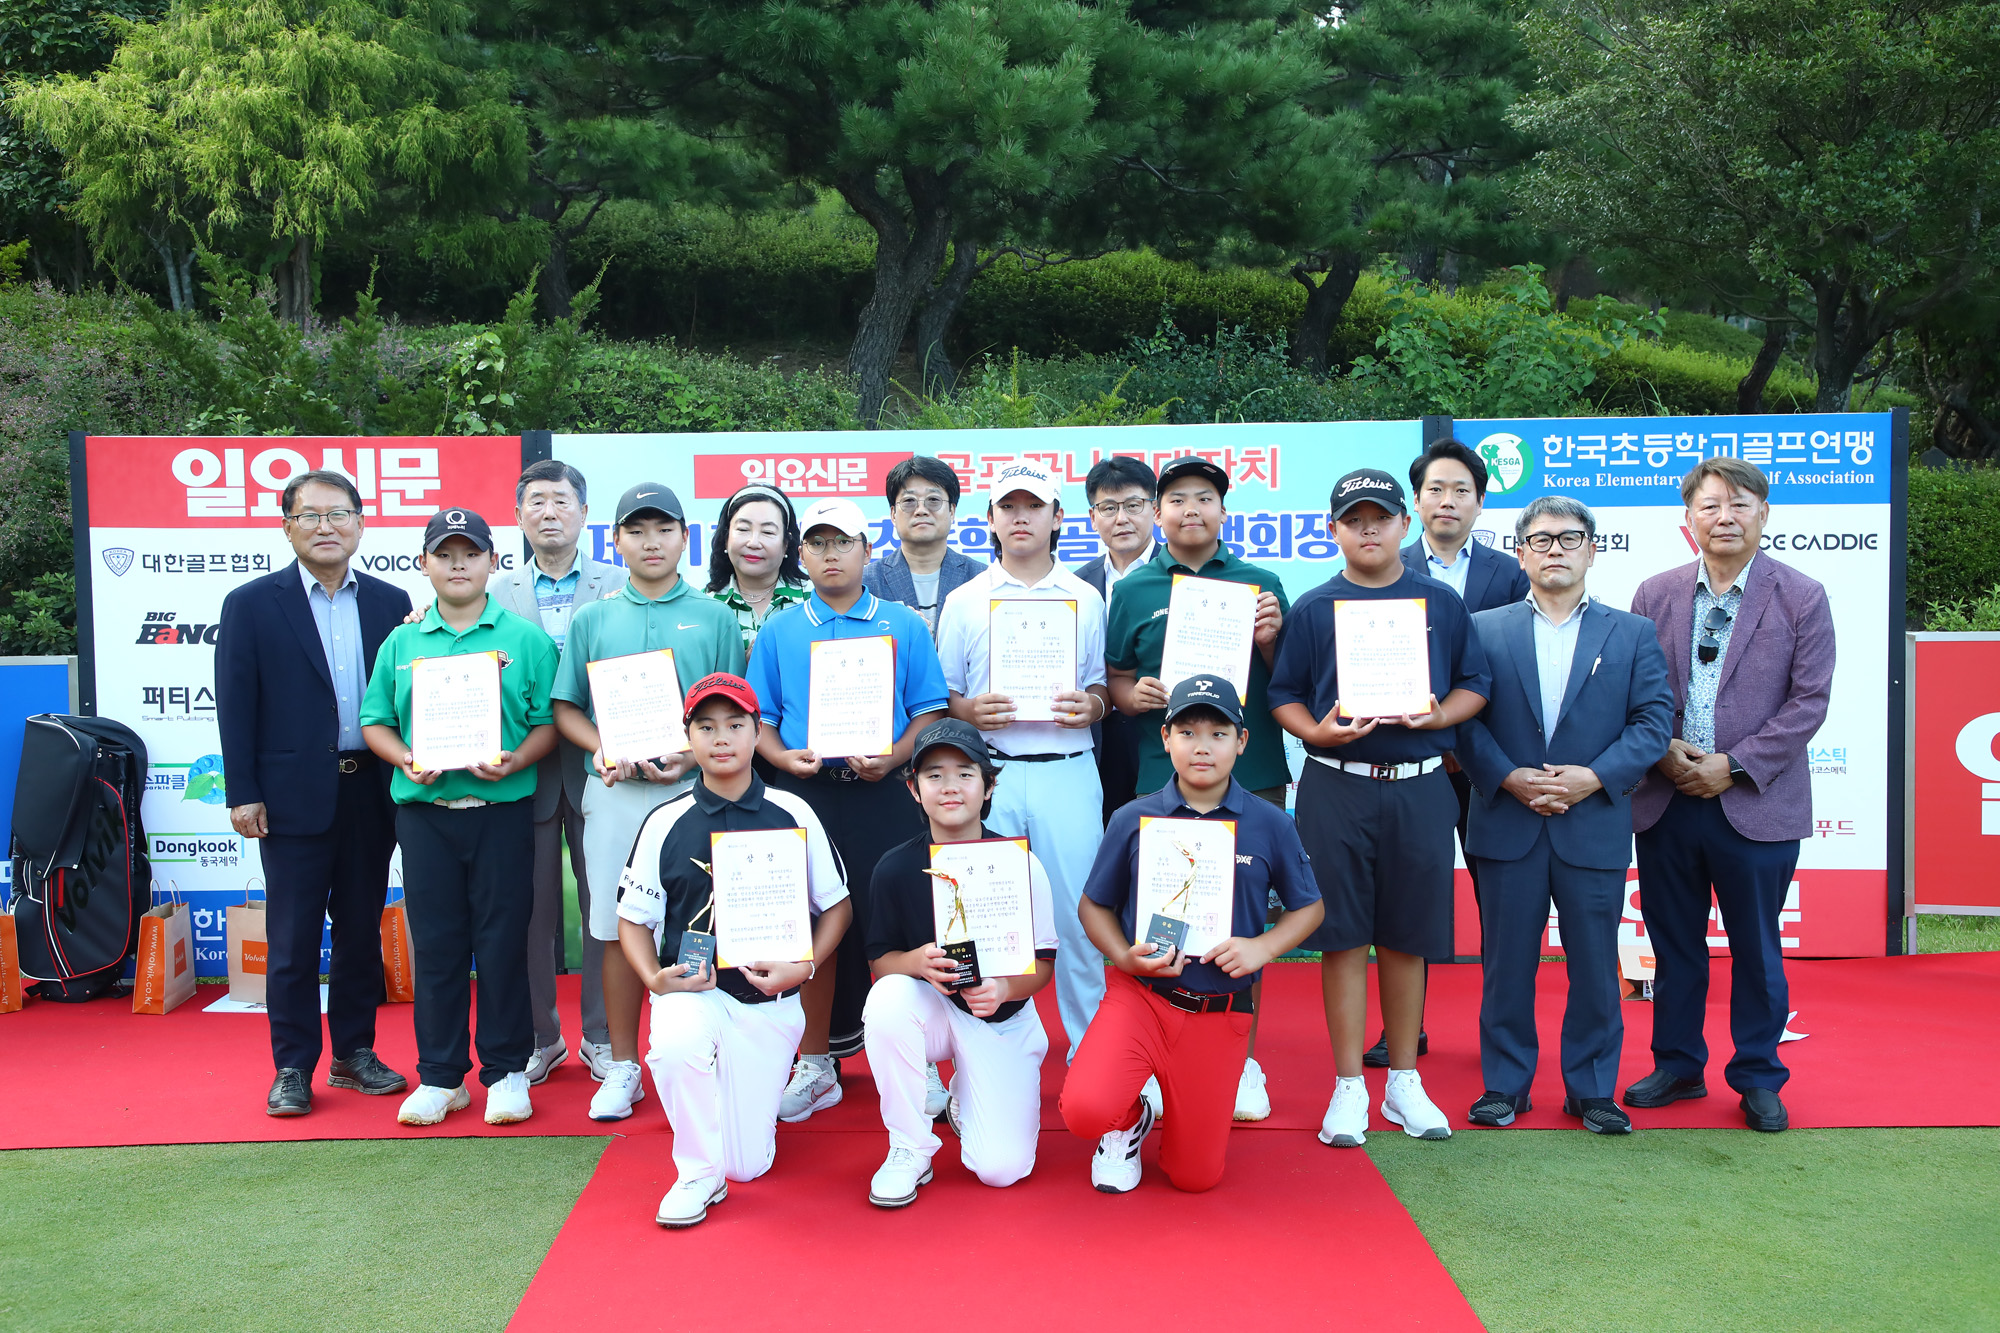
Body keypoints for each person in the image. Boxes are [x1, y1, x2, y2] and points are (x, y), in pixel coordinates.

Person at [1269, 468, 1490, 1147]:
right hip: (1337, 783)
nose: (1368, 528)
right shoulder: (1313, 606)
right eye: (1353, 518)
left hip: (1421, 784)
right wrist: (1313, 731)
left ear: (1405, 523)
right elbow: (1286, 692)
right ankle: (1346, 1086)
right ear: (1333, 529)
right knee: (1340, 936)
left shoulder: (1439, 604)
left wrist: (1433, 715)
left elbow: (1474, 685)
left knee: (1407, 934)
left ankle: (1402, 1080)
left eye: (1381, 516)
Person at [1625, 458, 1835, 1134]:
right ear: (1688, 519)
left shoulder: (1802, 595)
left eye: (1739, 504)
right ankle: (1679, 1063)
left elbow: (1809, 703)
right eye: (1710, 505)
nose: (1724, 516)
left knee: (1756, 945)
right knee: (1674, 943)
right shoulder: (1654, 593)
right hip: (1665, 799)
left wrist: (1734, 765)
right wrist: (1662, 751)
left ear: (1763, 514)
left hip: (1755, 804)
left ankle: (1757, 1075)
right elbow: (1630, 694)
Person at [1455, 497, 1673, 1134]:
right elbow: (1462, 719)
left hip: (1593, 820)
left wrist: (1593, 777)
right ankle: (1505, 1084)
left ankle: (1592, 1088)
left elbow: (1653, 721)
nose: (1556, 549)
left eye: (1569, 538)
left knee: (1596, 966)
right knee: (1506, 964)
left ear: (1592, 549)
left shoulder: (1630, 632)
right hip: (1506, 819)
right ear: (1520, 553)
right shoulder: (1483, 628)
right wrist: (1508, 777)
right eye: (1541, 539)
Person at [1061, 678, 1323, 1194]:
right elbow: (1094, 904)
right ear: (1166, 738)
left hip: (1216, 1011)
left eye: (1218, 733)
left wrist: (1263, 947)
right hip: (1142, 996)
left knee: (1194, 1176)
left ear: (1242, 742)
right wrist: (1122, 957)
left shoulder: (1270, 823)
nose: (1202, 746)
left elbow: (1308, 907)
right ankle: (1129, 1119)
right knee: (1085, 1110)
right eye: (1187, 731)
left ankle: (1180, 1110)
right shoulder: (1133, 816)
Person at [613, 673, 852, 1228]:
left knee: (747, 1165)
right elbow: (632, 918)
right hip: (694, 991)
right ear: (688, 738)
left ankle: (725, 1123)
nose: (722, 738)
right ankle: (696, 1172)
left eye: (736, 725)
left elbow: (837, 905)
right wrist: (653, 977)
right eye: (706, 726)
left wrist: (805, 964)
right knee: (673, 1045)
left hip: (768, 1001)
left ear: (755, 732)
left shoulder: (793, 811)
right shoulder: (664, 819)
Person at [746, 497, 950, 1121]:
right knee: (810, 922)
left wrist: (892, 758)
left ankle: (921, 1063)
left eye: (843, 543)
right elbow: (762, 720)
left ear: (867, 551)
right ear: (799, 555)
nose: (830, 554)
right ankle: (817, 1064)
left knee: (903, 918)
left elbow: (929, 712)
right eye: (817, 544)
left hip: (885, 790)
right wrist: (781, 760)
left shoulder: (902, 623)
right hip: (806, 791)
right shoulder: (782, 626)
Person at [218, 469, 413, 1117]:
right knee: (294, 937)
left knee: (359, 931)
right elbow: (237, 704)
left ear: (360, 524)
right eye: (311, 516)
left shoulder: (393, 602)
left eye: (339, 514)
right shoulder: (252, 603)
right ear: (286, 526)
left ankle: (355, 1053)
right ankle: (292, 1065)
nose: (326, 527)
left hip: (372, 791)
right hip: (290, 796)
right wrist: (242, 790)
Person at [358, 507, 561, 1126]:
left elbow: (547, 724)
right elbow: (375, 722)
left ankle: (504, 1071)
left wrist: (515, 759)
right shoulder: (403, 640)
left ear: (492, 562)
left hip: (501, 810)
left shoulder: (523, 638)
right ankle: (442, 1076)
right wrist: (406, 758)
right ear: (424, 564)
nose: (457, 565)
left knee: (503, 944)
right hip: (425, 816)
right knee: (440, 944)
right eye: (444, 555)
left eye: (469, 554)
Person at [551, 483, 746, 1123]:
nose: (651, 541)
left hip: (700, 793)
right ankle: (622, 1062)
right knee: (615, 928)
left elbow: (735, 707)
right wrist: (604, 748)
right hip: (615, 794)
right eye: (637, 531)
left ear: (685, 539)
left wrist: (695, 755)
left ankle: (715, 1054)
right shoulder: (593, 618)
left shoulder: (715, 616)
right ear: (617, 542)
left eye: (664, 529)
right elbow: (566, 707)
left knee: (711, 921)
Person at [1104, 454, 1289, 1120]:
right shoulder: (1134, 589)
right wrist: (1134, 694)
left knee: (1240, 923)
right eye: (1176, 499)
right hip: (1163, 781)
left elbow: (1290, 679)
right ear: (1158, 513)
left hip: (1253, 776)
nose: (1190, 509)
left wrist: (1271, 638)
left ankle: (1239, 1059)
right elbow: (1117, 681)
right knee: (1163, 917)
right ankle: (1161, 1053)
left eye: (1203, 498)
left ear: (1222, 510)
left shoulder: (1260, 583)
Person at [937, 460, 1108, 1059]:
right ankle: (986, 1049)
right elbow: (945, 695)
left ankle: (1091, 1052)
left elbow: (1101, 688)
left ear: (1057, 517)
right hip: (993, 773)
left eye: (1033, 506)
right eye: (1008, 507)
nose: (1020, 517)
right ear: (990, 519)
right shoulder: (964, 601)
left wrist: (1093, 706)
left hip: (1068, 770)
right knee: (983, 916)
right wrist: (969, 711)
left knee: (1078, 919)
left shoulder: (1086, 598)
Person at [1379, 439, 1535, 1067]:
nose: (1448, 501)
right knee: (1405, 894)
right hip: (1407, 759)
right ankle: (1402, 1029)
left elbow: (1517, 672)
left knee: (1494, 897)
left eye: (1461, 491)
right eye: (1435, 490)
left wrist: (1465, 742)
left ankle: (1498, 1036)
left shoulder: (1510, 573)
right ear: (1415, 503)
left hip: (1487, 761)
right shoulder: (1386, 563)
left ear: (1480, 502)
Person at [862, 718, 1058, 1207]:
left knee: (1000, 1170)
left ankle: (971, 1091)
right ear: (913, 788)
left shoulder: (1020, 862)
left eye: (966, 773)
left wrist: (1007, 989)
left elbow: (1043, 965)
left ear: (989, 786)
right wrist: (915, 961)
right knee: (886, 1000)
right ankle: (909, 1147)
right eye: (934, 775)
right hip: (931, 1008)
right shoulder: (893, 867)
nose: (950, 787)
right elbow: (880, 965)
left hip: (1000, 1019)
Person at [484, 459, 621, 1086]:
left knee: (605, 909)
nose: (548, 512)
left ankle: (601, 1034)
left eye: (561, 501)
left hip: (609, 766)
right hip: (524, 770)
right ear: (517, 517)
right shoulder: (492, 591)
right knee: (531, 910)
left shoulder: (624, 582)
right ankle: (543, 1037)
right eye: (535, 502)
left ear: (585, 514)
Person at [1073, 454, 1158, 824]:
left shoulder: (1182, 578)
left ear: (1154, 510)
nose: (1121, 518)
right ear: (1093, 518)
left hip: (1159, 733)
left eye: (1133, 505)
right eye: (1108, 507)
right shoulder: (1074, 586)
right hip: (1095, 741)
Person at [863, 455, 984, 636]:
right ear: (893, 514)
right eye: (909, 501)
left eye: (933, 500)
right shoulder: (867, 582)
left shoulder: (980, 579)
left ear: (952, 511)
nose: (921, 510)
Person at [705, 482, 811, 654]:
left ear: (786, 543)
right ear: (726, 537)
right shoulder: (705, 604)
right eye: (743, 529)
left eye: (768, 532)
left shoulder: (813, 599)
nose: (753, 543)